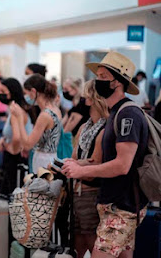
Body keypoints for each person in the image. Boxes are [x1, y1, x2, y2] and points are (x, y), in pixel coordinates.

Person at [62, 51, 149, 258]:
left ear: (116, 83)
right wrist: (79, 165)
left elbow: (122, 165)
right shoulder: (115, 114)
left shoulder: (128, 114)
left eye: (102, 77)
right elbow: (105, 159)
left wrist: (82, 170)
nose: (96, 81)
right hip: (114, 204)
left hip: (123, 207)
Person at [68, 80, 109, 258]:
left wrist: (79, 164)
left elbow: (96, 165)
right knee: (78, 237)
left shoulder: (104, 129)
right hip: (77, 190)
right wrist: (80, 163)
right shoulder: (85, 127)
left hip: (92, 191)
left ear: (92, 98)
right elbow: (76, 159)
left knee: (91, 237)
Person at [11, 74, 62, 174]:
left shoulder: (45, 115)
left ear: (33, 92)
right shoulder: (55, 109)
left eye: (27, 94)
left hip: (43, 162)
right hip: (51, 158)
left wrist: (19, 117)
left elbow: (27, 144)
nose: (27, 97)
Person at [0, 78, 33, 194]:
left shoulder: (15, 111)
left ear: (12, 92)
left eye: (3, 91)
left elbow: (17, 137)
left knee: (10, 193)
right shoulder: (19, 108)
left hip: (14, 159)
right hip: (18, 157)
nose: (0, 94)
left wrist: (10, 148)